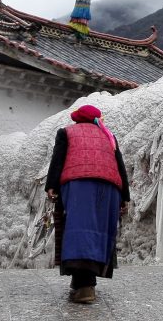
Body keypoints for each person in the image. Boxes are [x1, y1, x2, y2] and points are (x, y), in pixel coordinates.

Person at [45, 105, 130, 303]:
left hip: (79, 184)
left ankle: (85, 287)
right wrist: (125, 196)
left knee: (78, 230)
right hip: (110, 188)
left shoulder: (66, 132)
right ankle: (81, 284)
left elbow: (58, 160)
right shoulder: (107, 134)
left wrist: (51, 185)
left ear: (77, 119)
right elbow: (120, 165)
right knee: (97, 231)